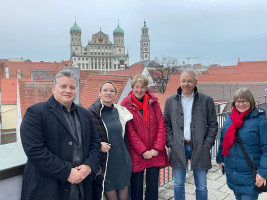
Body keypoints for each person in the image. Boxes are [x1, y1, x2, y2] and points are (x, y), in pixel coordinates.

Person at [20, 69, 101, 200]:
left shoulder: (85, 114)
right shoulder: (36, 112)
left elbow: (95, 144)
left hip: (82, 188)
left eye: (72, 87)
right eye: (63, 86)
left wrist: (89, 166)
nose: (68, 90)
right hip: (49, 189)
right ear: (53, 89)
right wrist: (67, 172)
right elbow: (35, 150)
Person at [164, 69, 218, 200]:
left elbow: (213, 125)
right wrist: (171, 143)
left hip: (200, 147)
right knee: (177, 184)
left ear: (195, 82)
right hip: (178, 147)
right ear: (180, 82)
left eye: (189, 81)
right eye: (183, 81)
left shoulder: (206, 100)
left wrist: (207, 144)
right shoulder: (170, 101)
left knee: (201, 186)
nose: (186, 84)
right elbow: (166, 125)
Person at [121, 74, 169, 200]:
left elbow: (161, 126)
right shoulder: (126, 105)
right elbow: (130, 131)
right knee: (136, 189)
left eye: (142, 87)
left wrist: (156, 149)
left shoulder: (153, 102)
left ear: (146, 88)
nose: (139, 90)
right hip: (137, 153)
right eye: (137, 87)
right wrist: (143, 151)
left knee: (153, 188)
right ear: (132, 87)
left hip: (154, 152)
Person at [216, 88, 267, 200]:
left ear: (251, 102)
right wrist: (220, 159)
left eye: (244, 101)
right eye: (238, 101)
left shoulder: (260, 120)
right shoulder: (230, 118)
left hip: (250, 173)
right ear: (234, 103)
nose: (241, 104)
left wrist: (263, 173)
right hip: (233, 172)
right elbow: (223, 140)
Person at [88, 81, 133, 200]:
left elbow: (126, 136)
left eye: (112, 91)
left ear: (116, 95)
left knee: (125, 197)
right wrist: (98, 144)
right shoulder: (91, 113)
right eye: (105, 90)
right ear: (99, 93)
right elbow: (85, 136)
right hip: (106, 163)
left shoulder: (120, 111)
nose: (108, 93)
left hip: (122, 160)